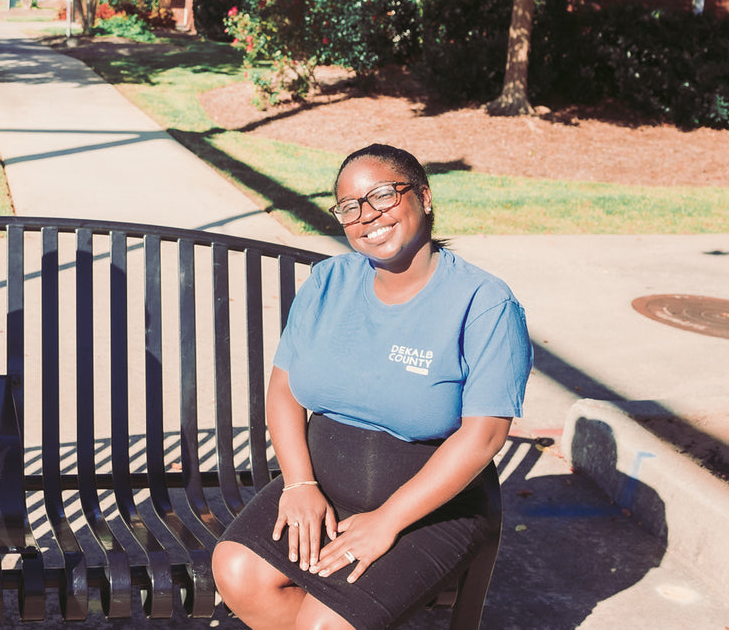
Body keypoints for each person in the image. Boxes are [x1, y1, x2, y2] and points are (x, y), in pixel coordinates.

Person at [213, 144, 532, 630]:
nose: (367, 216)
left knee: (324, 623)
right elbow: (285, 391)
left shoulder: (485, 303)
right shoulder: (327, 281)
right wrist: (299, 483)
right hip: (324, 486)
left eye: (383, 195)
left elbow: (484, 435)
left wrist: (388, 521)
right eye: (349, 206)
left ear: (423, 197)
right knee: (237, 570)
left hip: (428, 508)